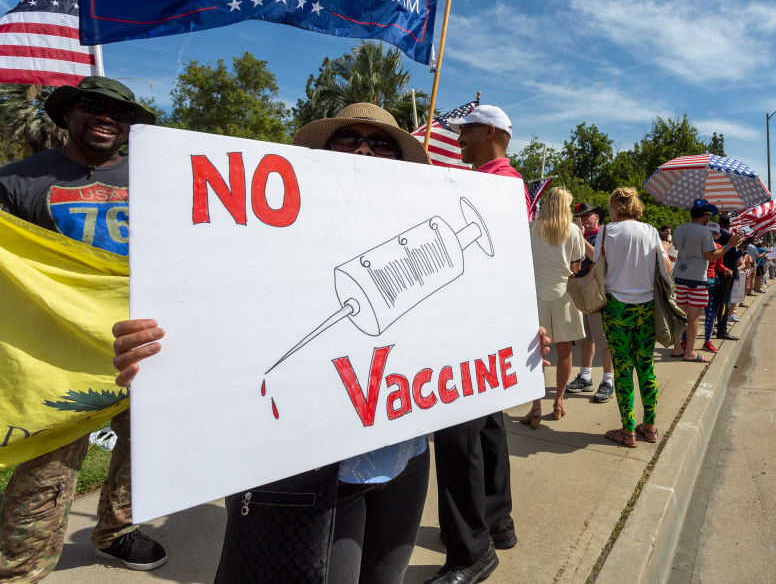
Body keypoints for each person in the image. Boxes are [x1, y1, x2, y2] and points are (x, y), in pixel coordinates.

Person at [112, 103, 551, 583]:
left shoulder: (419, 235)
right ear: (321, 154)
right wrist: (158, 353)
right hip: (308, 470)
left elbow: (462, 320)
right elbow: (214, 311)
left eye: (380, 142)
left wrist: (512, 340)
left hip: (400, 462)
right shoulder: (266, 237)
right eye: (348, 140)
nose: (364, 149)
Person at [0, 76, 167, 579]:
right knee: (47, 471)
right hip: (59, 354)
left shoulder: (160, 177)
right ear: (68, 114)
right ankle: (20, 568)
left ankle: (116, 532)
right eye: (92, 106)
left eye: (118, 113)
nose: (106, 118)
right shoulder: (19, 181)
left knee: (146, 448)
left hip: (144, 343)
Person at [425, 104, 525, 583]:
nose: (459, 139)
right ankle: (496, 519)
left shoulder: (489, 183)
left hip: (468, 324)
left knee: (457, 437)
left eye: (465, 131)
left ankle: (470, 549)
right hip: (490, 323)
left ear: (489, 132)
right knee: (487, 427)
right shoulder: (508, 181)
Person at [592, 187, 672, 448]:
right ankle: (649, 427)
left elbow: (596, 267)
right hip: (647, 306)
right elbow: (666, 269)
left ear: (615, 207)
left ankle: (627, 431)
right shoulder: (650, 231)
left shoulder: (605, 231)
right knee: (646, 365)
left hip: (616, 308)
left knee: (623, 369)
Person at [522, 188, 585, 427]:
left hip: (536, 294)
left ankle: (535, 406)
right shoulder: (574, 230)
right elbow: (577, 267)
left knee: (535, 352)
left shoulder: (532, 228)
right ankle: (558, 401)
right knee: (565, 350)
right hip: (564, 293)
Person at [671, 200, 743, 363]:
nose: (710, 218)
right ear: (704, 214)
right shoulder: (703, 232)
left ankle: (677, 348)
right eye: (709, 215)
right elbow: (711, 256)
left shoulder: (680, 229)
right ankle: (689, 352)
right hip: (697, 277)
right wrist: (728, 245)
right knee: (694, 317)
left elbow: (677, 246)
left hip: (681, 276)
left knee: (680, 315)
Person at [564, 202, 615, 403]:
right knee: (584, 337)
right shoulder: (580, 234)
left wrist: (578, 236)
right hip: (580, 290)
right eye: (581, 215)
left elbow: (595, 256)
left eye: (589, 215)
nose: (585, 218)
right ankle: (585, 376)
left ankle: (608, 381)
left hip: (596, 290)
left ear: (598, 217)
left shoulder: (603, 234)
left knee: (603, 339)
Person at [714, 214, 741, 341]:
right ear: (729, 225)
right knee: (725, 302)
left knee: (717, 303)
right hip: (727, 272)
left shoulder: (714, 234)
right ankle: (722, 329)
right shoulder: (729, 237)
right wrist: (741, 249)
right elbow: (733, 257)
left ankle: (714, 326)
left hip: (716, 270)